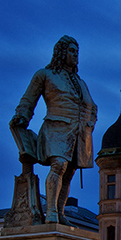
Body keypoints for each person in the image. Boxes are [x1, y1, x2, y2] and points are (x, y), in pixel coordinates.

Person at [10, 36, 97, 224]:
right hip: (56, 127)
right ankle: (50, 212)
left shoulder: (81, 82)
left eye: (77, 52)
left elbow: (93, 107)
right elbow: (28, 100)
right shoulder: (45, 74)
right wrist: (22, 116)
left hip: (79, 135)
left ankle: (60, 212)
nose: (75, 55)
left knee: (69, 172)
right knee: (59, 164)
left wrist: (90, 125)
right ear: (61, 52)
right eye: (72, 51)